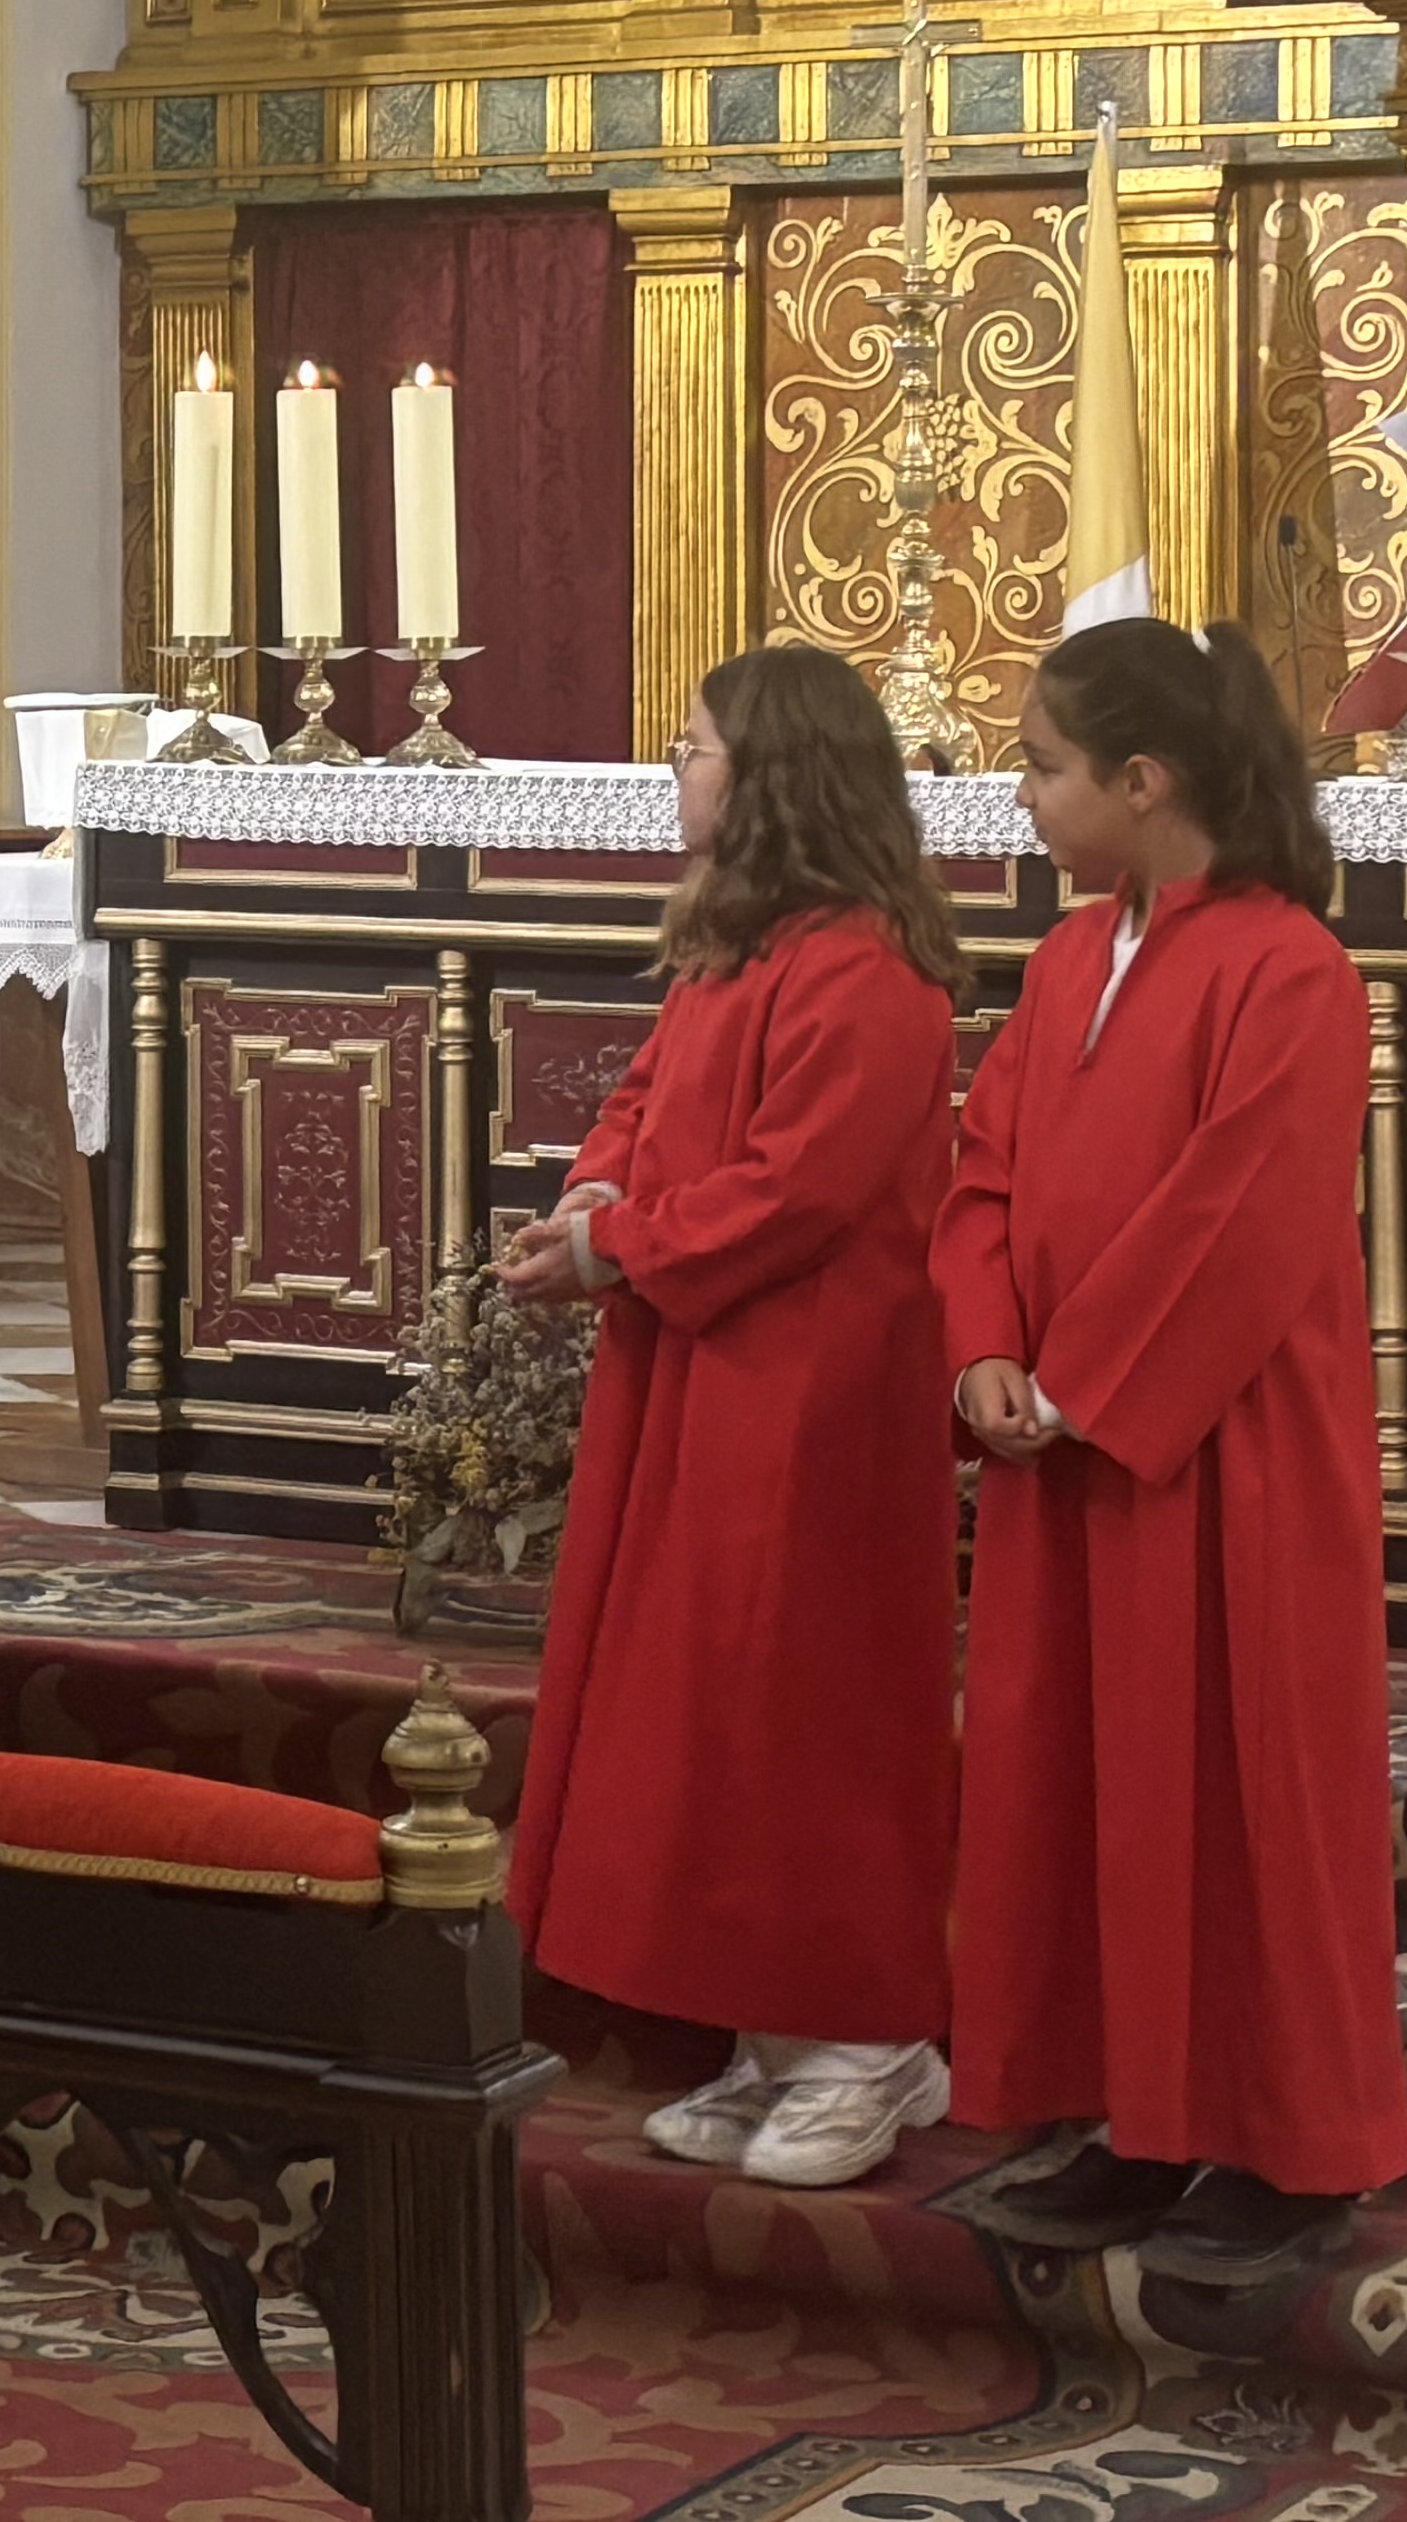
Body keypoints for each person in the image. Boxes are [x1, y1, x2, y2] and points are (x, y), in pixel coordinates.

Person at [944, 619, 1407, 2287]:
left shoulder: (1286, 966)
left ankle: (1291, 2141)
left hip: (1221, 1448)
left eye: (1044, 763)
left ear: (1142, 782)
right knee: (1082, 1776)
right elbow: (983, 1159)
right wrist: (984, 1335)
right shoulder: (1071, 957)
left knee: (1246, 1776)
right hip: (1066, 1443)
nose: (1024, 789)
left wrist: (1081, 1378)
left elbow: (1247, 1208)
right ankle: (1130, 2109)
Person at [487, 645, 964, 2192]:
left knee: (804, 1703)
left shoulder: (866, 969)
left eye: (693, 748)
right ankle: (774, 2031)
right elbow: (643, 1099)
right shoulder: (735, 950)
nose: (672, 773)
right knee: (710, 1702)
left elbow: (798, 1187)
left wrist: (616, 1247)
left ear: (772, 779)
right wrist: (595, 1195)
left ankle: (873, 2038)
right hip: (701, 1374)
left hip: (811, 1395)